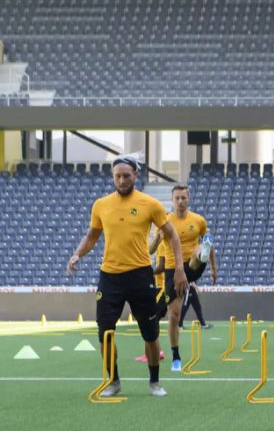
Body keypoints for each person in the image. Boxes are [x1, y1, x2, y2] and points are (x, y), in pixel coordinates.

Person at [67, 157, 188, 397]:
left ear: (136, 175)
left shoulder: (150, 204)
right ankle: (113, 382)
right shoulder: (101, 205)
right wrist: (77, 254)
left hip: (140, 276)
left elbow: (172, 236)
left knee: (150, 333)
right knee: (105, 333)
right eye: (117, 176)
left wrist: (180, 269)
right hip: (110, 278)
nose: (122, 180)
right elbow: (92, 236)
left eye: (126, 175)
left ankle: (155, 382)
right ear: (113, 177)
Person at [148, 184, 216, 372]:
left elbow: (212, 249)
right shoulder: (164, 222)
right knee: (174, 316)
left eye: (183, 198)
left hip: (193, 267)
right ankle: (175, 356)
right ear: (172, 201)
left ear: (189, 199)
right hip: (172, 271)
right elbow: (151, 251)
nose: (180, 201)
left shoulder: (198, 220)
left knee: (200, 250)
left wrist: (213, 269)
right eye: (177, 198)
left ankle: (201, 254)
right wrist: (158, 238)